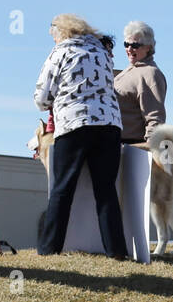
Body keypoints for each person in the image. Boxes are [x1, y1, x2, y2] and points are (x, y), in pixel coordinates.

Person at [33, 14, 126, 260]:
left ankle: (49, 248)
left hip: (74, 124)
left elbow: (42, 97)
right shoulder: (102, 53)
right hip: (109, 124)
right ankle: (116, 250)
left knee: (62, 189)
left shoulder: (60, 52)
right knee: (106, 190)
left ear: (60, 32)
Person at [114, 20, 166, 144]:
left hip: (133, 148)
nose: (129, 49)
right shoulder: (127, 71)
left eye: (135, 45)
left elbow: (155, 117)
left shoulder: (150, 74)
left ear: (148, 47)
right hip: (116, 143)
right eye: (126, 44)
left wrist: (151, 149)